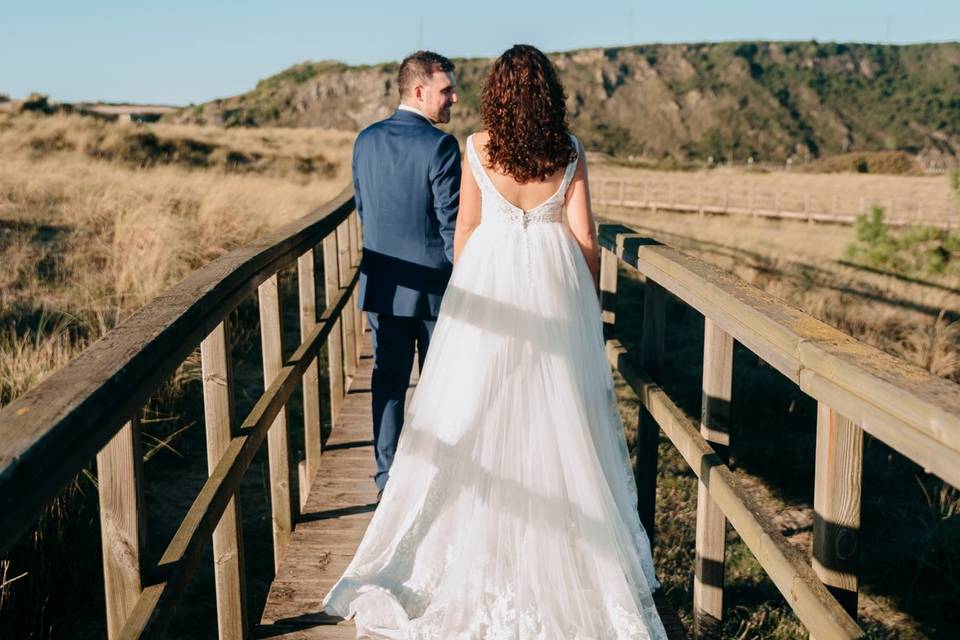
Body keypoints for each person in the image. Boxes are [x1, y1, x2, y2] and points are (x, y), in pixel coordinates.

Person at [322, 44, 667, 639]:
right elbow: (584, 235)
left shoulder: (477, 146)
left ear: (499, 94)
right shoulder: (569, 150)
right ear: (550, 94)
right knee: (557, 414)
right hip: (554, 289)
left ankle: (476, 528)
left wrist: (463, 297)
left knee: (477, 408)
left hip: (491, 280)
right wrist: (586, 303)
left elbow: (467, 229)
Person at [351, 51, 461, 503]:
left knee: (388, 382)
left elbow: (363, 208)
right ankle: (441, 481)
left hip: (385, 282)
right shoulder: (441, 146)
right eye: (446, 90)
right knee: (442, 387)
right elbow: (451, 226)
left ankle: (387, 480)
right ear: (419, 91)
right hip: (437, 290)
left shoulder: (365, 140)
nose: (454, 97)